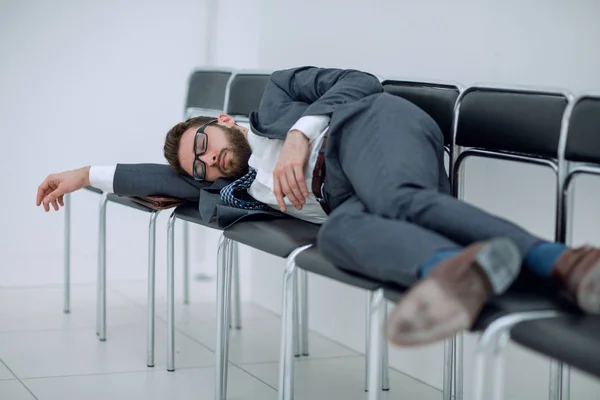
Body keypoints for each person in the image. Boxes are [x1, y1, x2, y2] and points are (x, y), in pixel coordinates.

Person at [37, 66, 600, 347]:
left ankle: (565, 263)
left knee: (397, 199)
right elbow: (155, 175)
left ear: (223, 122)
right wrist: (83, 175)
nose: (207, 164)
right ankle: (457, 273)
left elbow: (360, 81)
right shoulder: (224, 188)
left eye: (205, 145)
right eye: (198, 168)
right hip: (343, 200)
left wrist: (303, 135)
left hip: (367, 130)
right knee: (337, 237)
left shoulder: (277, 95)